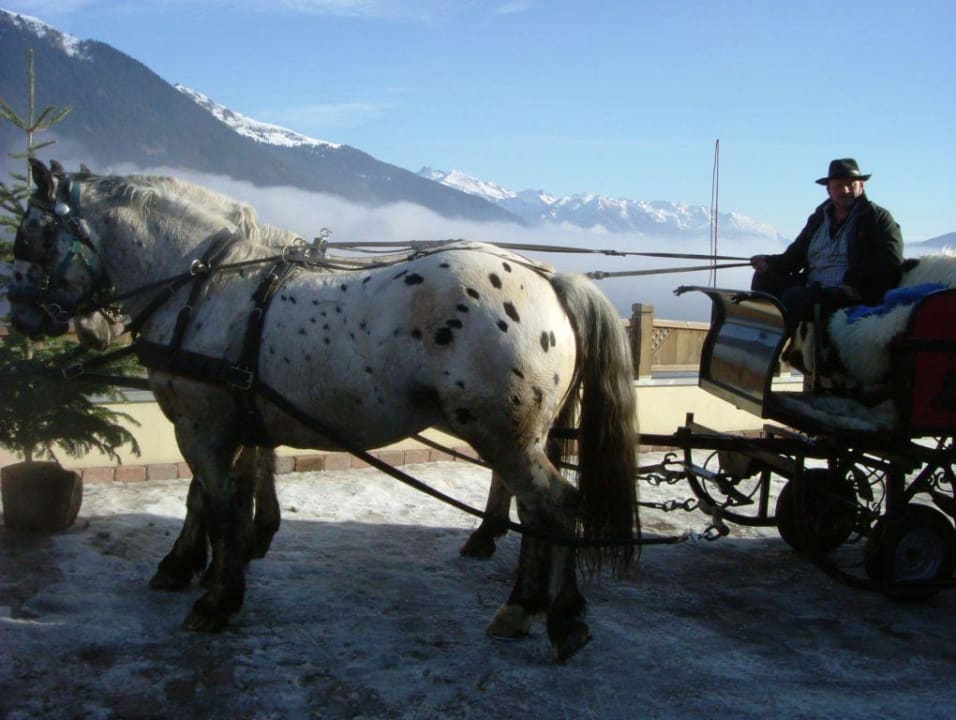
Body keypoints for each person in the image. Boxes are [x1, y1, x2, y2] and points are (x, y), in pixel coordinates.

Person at [750, 158, 904, 333]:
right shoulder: (818, 218)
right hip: (812, 286)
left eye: (850, 184)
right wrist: (768, 262)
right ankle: (758, 338)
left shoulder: (877, 218)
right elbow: (794, 257)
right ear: (829, 190)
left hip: (849, 293)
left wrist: (854, 280)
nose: (845, 190)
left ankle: (783, 345)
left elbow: (891, 261)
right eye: (838, 186)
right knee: (763, 278)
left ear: (861, 186)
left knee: (794, 299)